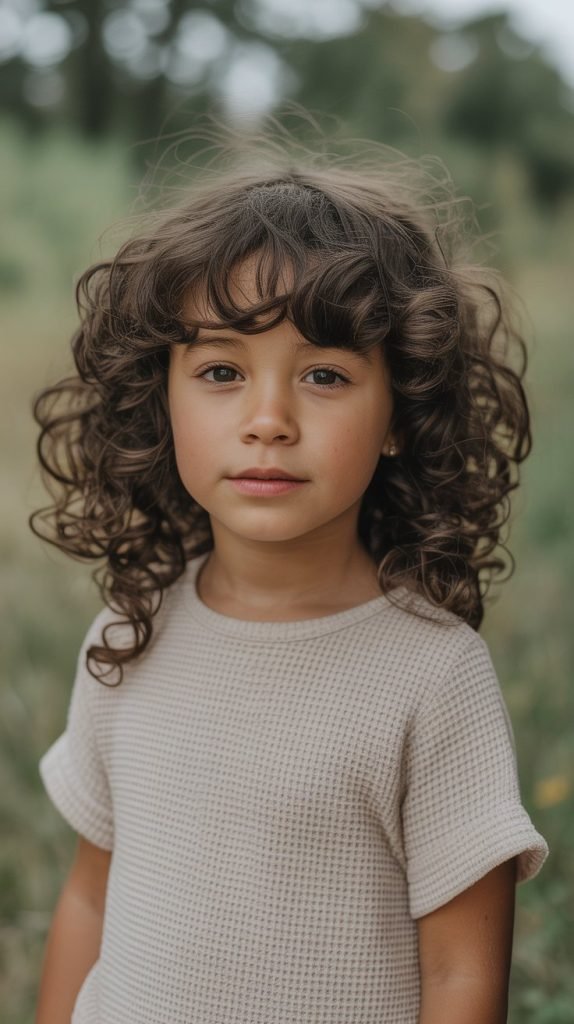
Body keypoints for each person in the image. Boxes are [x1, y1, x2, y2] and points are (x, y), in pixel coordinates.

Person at [32, 124, 549, 1024]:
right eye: (224, 370)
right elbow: (88, 899)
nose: (268, 418)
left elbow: (464, 977)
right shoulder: (129, 634)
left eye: (323, 375)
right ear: (163, 394)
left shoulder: (433, 674)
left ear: (400, 413)